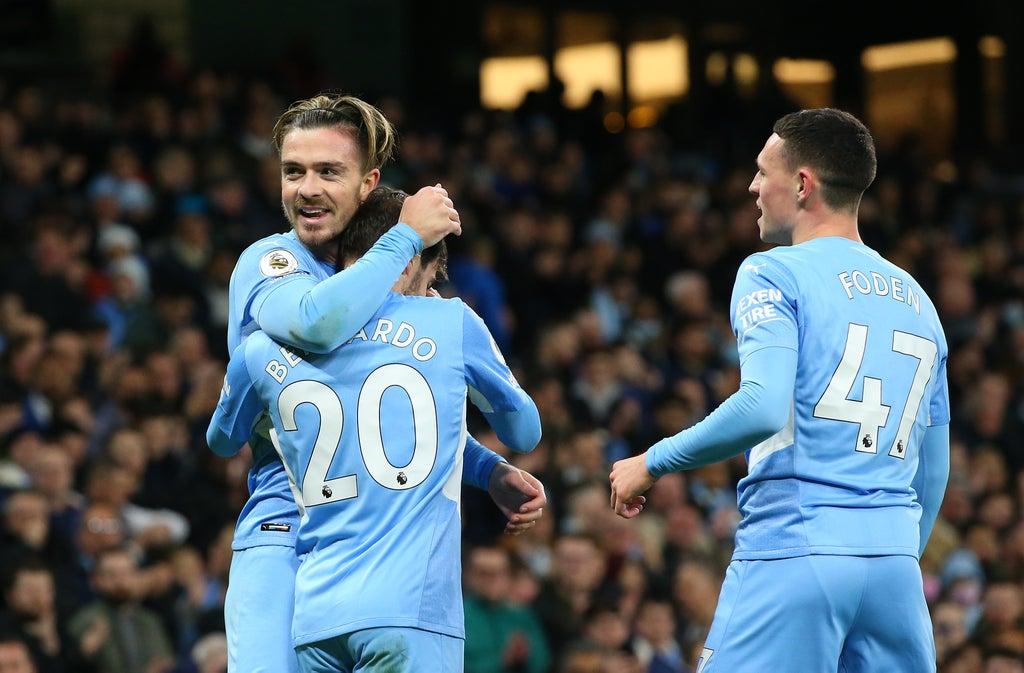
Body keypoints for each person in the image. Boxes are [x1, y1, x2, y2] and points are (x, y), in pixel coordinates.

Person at [609, 108, 950, 672]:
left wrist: (651, 460)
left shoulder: (775, 272)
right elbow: (933, 472)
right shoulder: (919, 300)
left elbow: (763, 407)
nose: (752, 186)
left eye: (762, 171)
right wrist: (889, 557)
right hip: (895, 569)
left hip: (799, 545)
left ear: (802, 183)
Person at [222, 94, 545, 673]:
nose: (307, 188)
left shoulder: (380, 283)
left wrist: (484, 469)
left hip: (368, 539)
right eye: (293, 171)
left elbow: (390, 418)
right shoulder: (272, 261)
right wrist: (405, 239)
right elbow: (319, 324)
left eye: (329, 171)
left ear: (368, 182)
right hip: (285, 534)